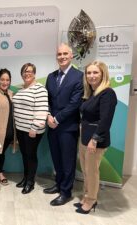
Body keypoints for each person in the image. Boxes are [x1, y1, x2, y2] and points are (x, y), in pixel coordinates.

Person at [74, 61, 117, 214]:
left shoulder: (108, 93)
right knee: (86, 171)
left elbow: (105, 120)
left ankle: (91, 201)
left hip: (95, 141)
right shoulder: (91, 93)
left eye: (95, 72)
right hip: (85, 138)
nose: (91, 76)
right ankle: (87, 196)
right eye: (89, 73)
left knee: (92, 172)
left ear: (103, 74)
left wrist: (94, 139)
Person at [44, 43, 83, 206]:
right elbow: (47, 100)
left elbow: (75, 103)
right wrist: (48, 116)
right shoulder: (51, 77)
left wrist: (57, 119)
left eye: (65, 54)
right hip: (52, 126)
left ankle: (66, 192)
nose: (62, 57)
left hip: (68, 127)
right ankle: (59, 184)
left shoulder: (79, 76)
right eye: (59, 54)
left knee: (68, 161)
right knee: (57, 158)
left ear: (71, 55)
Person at [12, 63, 48, 194]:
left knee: (31, 156)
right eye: (25, 71)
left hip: (33, 131)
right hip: (21, 129)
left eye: (30, 71)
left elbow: (42, 109)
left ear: (34, 73)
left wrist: (34, 128)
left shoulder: (40, 89)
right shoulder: (21, 89)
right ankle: (25, 178)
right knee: (25, 155)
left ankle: (30, 183)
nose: (27, 74)